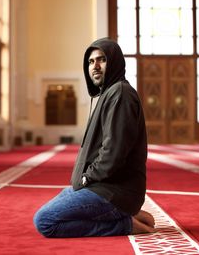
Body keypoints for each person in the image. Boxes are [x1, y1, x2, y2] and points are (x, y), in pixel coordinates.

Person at [33, 38, 155, 237]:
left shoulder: (120, 95)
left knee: (45, 221)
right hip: (102, 188)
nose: (95, 66)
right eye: (90, 62)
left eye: (102, 60)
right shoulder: (109, 94)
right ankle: (129, 214)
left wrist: (86, 177)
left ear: (114, 62)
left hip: (114, 192)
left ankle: (124, 223)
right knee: (64, 197)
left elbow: (113, 152)